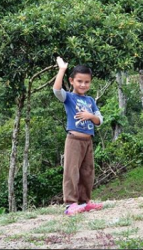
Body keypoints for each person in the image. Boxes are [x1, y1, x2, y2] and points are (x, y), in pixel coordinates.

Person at [53, 56, 104, 215]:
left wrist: (90, 116)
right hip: (74, 140)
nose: (83, 84)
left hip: (88, 141)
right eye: (79, 81)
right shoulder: (69, 97)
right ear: (72, 81)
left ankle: (85, 201)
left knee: (87, 172)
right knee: (71, 171)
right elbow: (56, 90)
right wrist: (61, 69)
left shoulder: (90, 100)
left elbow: (99, 120)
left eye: (86, 82)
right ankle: (71, 204)